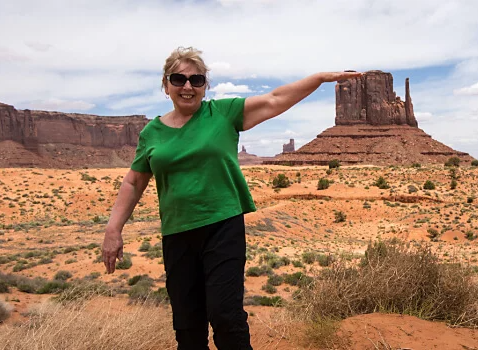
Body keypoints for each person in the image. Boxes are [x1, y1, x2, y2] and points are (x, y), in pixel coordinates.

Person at [101, 46, 362, 350]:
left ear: (204, 86)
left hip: (222, 228)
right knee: (187, 326)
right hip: (177, 234)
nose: (188, 86)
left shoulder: (222, 113)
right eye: (179, 79)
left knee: (226, 317)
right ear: (166, 84)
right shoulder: (152, 132)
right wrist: (113, 229)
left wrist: (318, 78)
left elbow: (274, 100)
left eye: (196, 80)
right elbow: (134, 181)